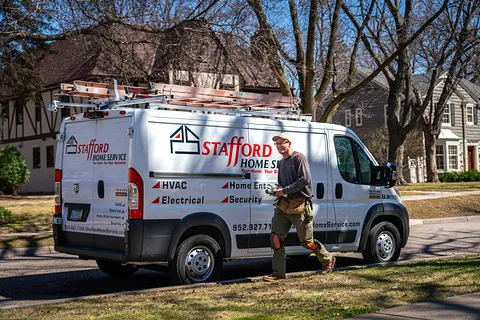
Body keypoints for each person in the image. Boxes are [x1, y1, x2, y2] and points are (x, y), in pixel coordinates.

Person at [263, 132, 335, 281]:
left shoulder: (299, 158)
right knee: (276, 238)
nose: (279, 146)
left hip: (300, 204)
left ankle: (327, 259)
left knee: (307, 242)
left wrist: (284, 190)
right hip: (284, 205)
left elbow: (304, 180)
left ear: (289, 143)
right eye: (277, 143)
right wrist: (278, 190)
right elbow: (283, 183)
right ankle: (278, 273)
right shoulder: (281, 162)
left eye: (282, 142)